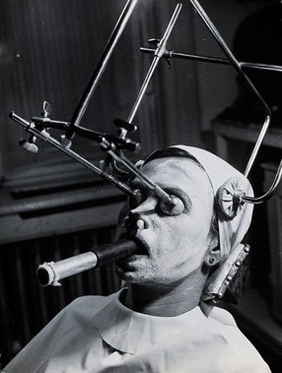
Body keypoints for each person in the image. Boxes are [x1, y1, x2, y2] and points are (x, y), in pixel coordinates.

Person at [5, 145, 271, 372]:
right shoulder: (78, 314)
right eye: (135, 196)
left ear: (214, 249)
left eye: (170, 204)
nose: (136, 213)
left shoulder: (231, 361)